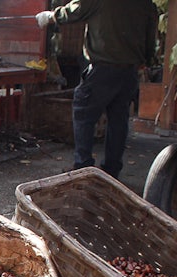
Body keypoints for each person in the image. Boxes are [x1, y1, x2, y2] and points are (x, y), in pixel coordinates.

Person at [35, 0, 158, 180]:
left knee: (84, 115)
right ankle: (112, 172)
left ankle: (83, 170)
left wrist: (52, 16)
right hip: (129, 71)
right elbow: (150, 39)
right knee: (119, 121)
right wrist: (145, 60)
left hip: (102, 69)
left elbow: (76, 10)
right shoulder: (146, 3)